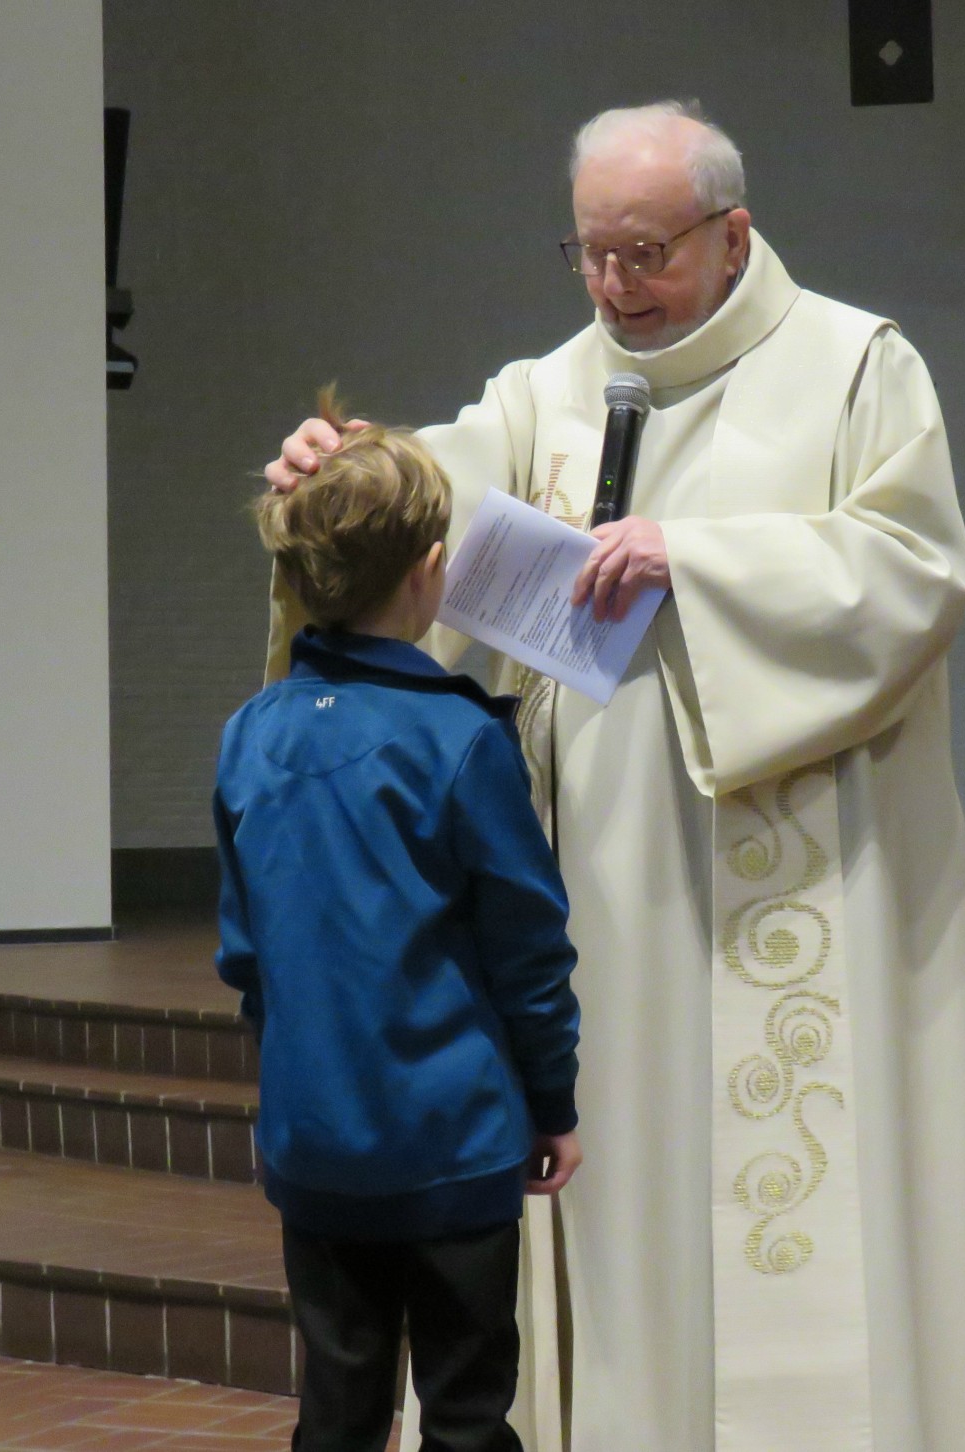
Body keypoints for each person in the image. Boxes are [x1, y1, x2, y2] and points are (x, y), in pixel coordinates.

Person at [264, 102, 965, 1452]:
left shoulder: (855, 368)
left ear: (732, 236)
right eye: (591, 254)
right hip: (590, 887)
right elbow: (430, 506)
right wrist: (348, 468)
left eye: (646, 254)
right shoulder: (548, 388)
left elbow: (917, 573)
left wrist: (699, 562)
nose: (616, 286)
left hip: (794, 888)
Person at [219, 396, 582, 1452]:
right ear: (432, 571)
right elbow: (527, 953)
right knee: (467, 1411)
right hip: (454, 1139)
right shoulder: (461, 741)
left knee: (334, 1411)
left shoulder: (252, 733)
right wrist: (549, 1100)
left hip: (315, 1141)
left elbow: (244, 951)